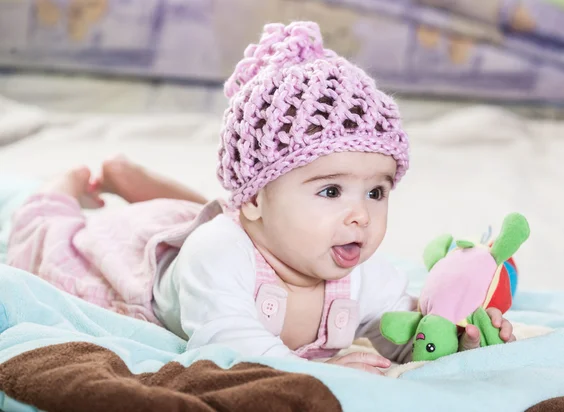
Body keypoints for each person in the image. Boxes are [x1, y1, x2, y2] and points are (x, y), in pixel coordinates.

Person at [6, 21, 514, 375]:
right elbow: (231, 347)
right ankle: (72, 182)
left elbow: (404, 336)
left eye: (377, 191)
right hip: (133, 251)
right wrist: (342, 376)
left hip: (220, 217)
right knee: (46, 238)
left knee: (203, 210)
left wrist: (457, 337)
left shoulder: (361, 271)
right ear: (255, 199)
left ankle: (130, 176)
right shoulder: (217, 255)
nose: (360, 215)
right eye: (331, 190)